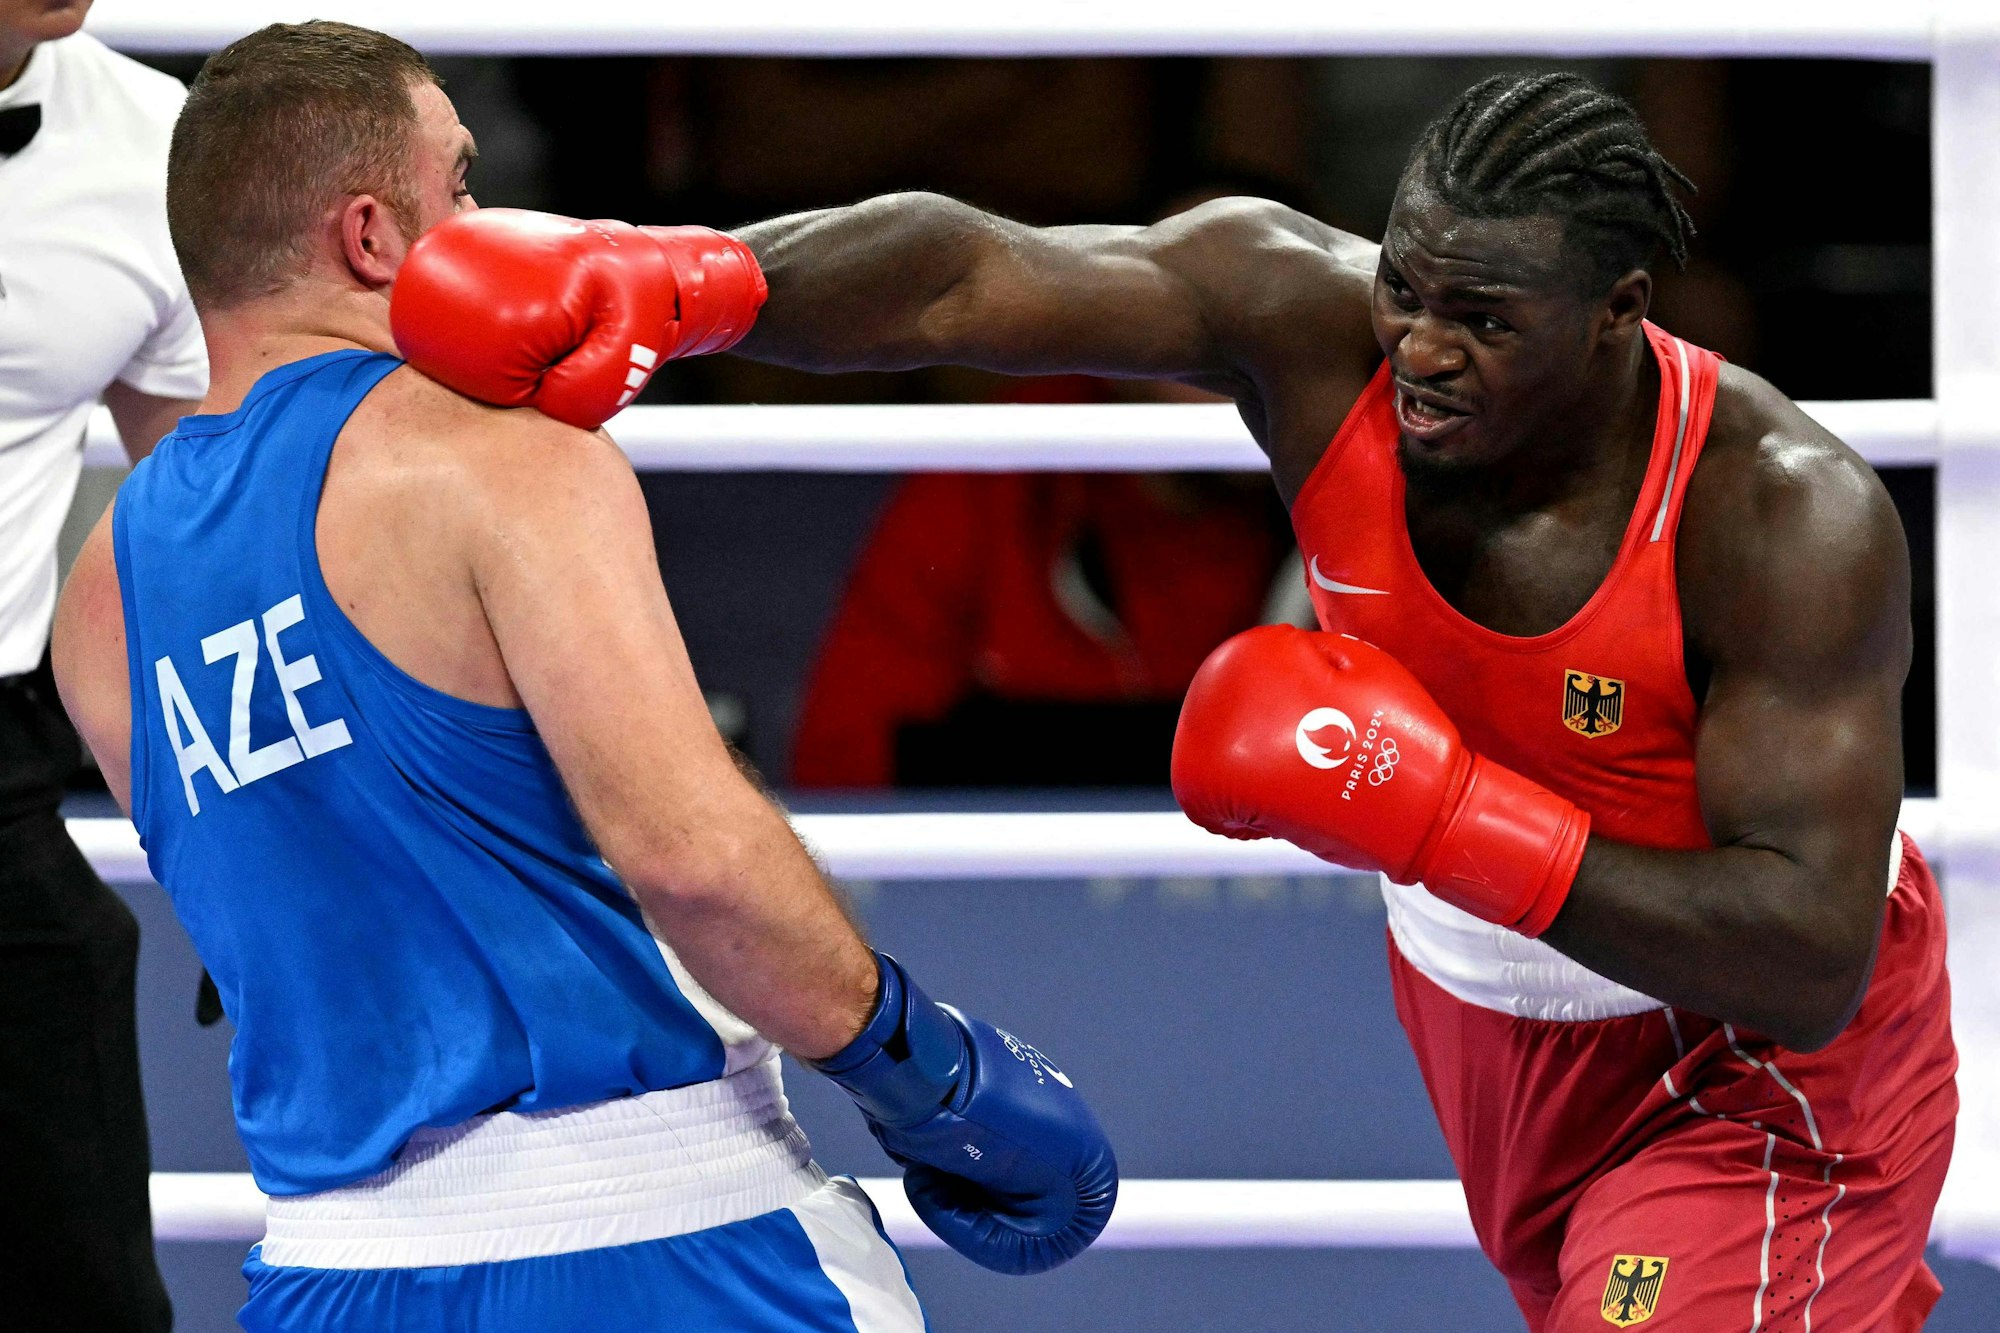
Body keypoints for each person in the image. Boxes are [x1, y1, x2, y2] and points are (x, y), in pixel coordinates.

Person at [407, 72, 1956, 1329]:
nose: (1420, 349)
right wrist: (697, 280)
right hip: (1493, 1034)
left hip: (1751, 1074)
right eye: (1408, 288)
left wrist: (1445, 814)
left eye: (1485, 319)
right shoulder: (1307, 320)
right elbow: (970, 275)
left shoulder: (1776, 518)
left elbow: (1807, 956)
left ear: (1622, 313)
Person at [50, 22, 1114, 1332]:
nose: (489, 217)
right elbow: (693, 858)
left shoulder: (99, 597)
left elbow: (280, 906)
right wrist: (923, 1065)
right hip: (670, 1242)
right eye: (462, 183)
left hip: (331, 1271)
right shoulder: (498, 459)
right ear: (374, 236)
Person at [0, 1, 208, 1326]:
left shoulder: (146, 144)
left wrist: (273, 823)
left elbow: (220, 512)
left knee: (87, 1300)